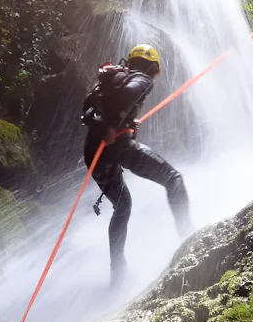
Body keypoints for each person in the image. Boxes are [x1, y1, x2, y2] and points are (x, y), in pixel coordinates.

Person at [81, 44, 192, 285]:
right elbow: (128, 95)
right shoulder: (141, 78)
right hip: (118, 147)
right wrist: (113, 125)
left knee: (122, 206)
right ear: (152, 67)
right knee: (173, 179)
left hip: (93, 154)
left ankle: (118, 271)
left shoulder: (107, 81)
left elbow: (86, 113)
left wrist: (122, 122)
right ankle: (190, 240)